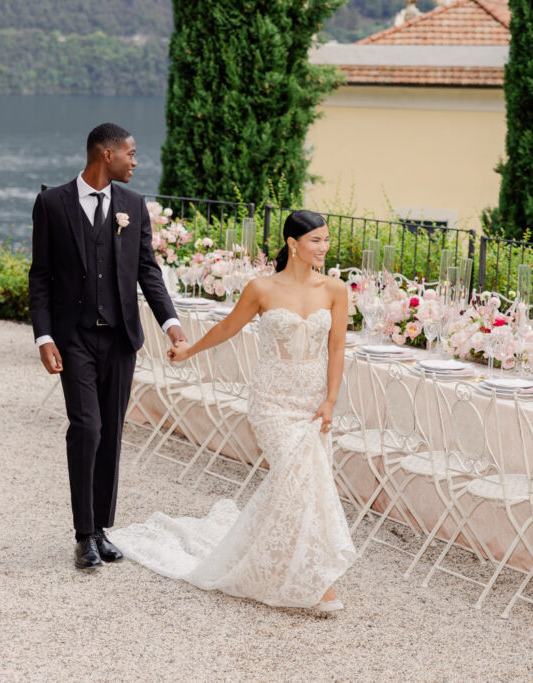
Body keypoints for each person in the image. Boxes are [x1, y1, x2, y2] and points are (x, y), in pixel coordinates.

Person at [111, 210, 356, 613]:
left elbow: (336, 348)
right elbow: (228, 328)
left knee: (306, 485)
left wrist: (330, 400)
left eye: (327, 240)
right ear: (293, 244)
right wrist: (189, 349)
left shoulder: (335, 289)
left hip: (312, 402)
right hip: (272, 401)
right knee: (297, 481)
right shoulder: (261, 288)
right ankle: (316, 580)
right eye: (316, 240)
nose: (324, 247)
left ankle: (295, 568)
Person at [29, 122, 185, 570]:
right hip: (73, 337)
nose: (136, 161)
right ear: (105, 155)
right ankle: (83, 536)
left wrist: (171, 323)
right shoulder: (52, 203)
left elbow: (148, 272)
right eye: (131, 154)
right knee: (87, 429)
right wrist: (43, 336)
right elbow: (40, 276)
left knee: (112, 433)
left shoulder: (133, 205)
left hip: (119, 340)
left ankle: (101, 529)